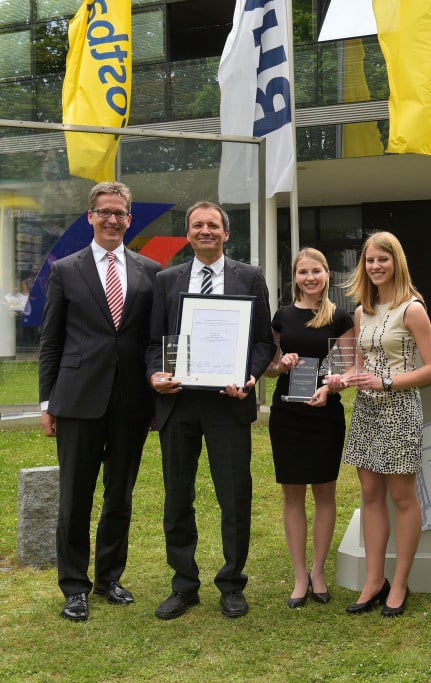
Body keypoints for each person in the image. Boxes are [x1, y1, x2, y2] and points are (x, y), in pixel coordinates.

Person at [145, 200, 275, 620]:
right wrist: (154, 376)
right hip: (178, 403)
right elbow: (152, 344)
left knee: (234, 497)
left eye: (213, 225)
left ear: (226, 233)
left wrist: (252, 376)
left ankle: (232, 584)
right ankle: (184, 586)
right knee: (177, 498)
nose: (205, 231)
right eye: (197, 225)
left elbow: (262, 342)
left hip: (228, 403)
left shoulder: (250, 277)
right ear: (188, 234)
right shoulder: (166, 280)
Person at [38, 182, 160, 622]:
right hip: (76, 400)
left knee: (119, 495)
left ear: (129, 218)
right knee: (74, 498)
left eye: (120, 213)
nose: (113, 220)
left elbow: (153, 340)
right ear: (90, 216)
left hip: (131, 402)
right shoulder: (65, 270)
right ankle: (74, 586)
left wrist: (155, 397)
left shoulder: (150, 270)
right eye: (105, 212)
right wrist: (47, 402)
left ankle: (109, 577)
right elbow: (51, 340)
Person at [326, 231, 431, 618]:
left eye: (383, 260)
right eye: (370, 260)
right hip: (366, 410)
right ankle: (374, 580)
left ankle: (401, 582)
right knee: (370, 495)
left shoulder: (413, 309)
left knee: (403, 499)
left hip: (401, 409)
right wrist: (344, 378)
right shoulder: (362, 310)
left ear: (396, 262)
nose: (375, 267)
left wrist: (387, 381)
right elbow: (360, 364)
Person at [263, 248, 355, 608]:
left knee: (325, 494)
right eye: (303, 272)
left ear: (327, 274)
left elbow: (350, 368)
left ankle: (318, 571)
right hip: (287, 415)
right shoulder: (282, 317)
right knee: (292, 495)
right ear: (295, 278)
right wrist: (280, 363)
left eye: (316, 271)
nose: (310, 277)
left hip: (324, 413)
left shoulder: (340, 318)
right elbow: (268, 366)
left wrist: (334, 384)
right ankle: (299, 575)